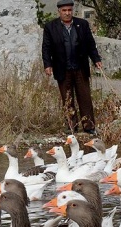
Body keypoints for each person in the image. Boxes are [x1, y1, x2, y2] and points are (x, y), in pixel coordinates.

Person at [42, 0, 102, 135]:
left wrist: (96, 59)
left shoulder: (82, 24)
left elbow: (91, 44)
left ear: (72, 11)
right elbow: (46, 48)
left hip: (80, 68)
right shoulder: (51, 27)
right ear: (59, 11)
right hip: (62, 68)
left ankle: (89, 126)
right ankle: (71, 126)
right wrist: (48, 64)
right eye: (64, 11)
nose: (67, 13)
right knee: (67, 99)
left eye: (69, 10)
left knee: (85, 97)